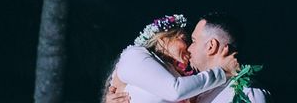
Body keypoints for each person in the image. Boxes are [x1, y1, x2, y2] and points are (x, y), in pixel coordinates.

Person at [103, 14, 240, 103]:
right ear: (163, 38)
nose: (188, 48)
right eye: (184, 40)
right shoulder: (135, 55)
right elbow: (174, 91)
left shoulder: (178, 77)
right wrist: (222, 71)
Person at [188, 12, 267, 103]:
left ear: (211, 46)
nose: (189, 48)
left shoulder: (248, 93)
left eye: (194, 41)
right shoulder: (199, 92)